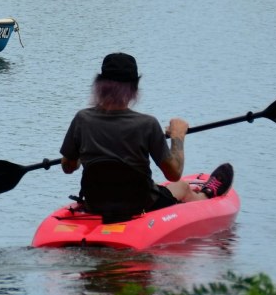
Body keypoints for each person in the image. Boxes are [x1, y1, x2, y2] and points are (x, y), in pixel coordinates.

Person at [58, 52, 233, 215]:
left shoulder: (82, 119)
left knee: (138, 185)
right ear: (134, 88)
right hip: (140, 203)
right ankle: (206, 195)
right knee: (182, 187)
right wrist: (178, 136)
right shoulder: (147, 124)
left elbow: (68, 167)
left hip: (95, 203)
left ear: (99, 85)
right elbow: (173, 174)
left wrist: (83, 152)